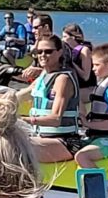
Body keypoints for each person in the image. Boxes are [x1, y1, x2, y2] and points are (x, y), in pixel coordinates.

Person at [20, 33, 83, 163]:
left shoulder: (63, 79)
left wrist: (21, 120)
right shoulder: (44, 75)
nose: (43, 55)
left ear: (60, 52)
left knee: (15, 148)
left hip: (65, 142)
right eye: (39, 51)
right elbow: (18, 96)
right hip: (41, 136)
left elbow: (56, 119)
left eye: (48, 51)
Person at [62, 22, 96, 105]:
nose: (62, 39)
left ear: (73, 37)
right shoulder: (67, 50)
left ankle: (81, 116)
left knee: (66, 96)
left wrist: (72, 63)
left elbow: (85, 76)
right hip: (76, 87)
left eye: (65, 37)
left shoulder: (85, 50)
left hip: (88, 88)